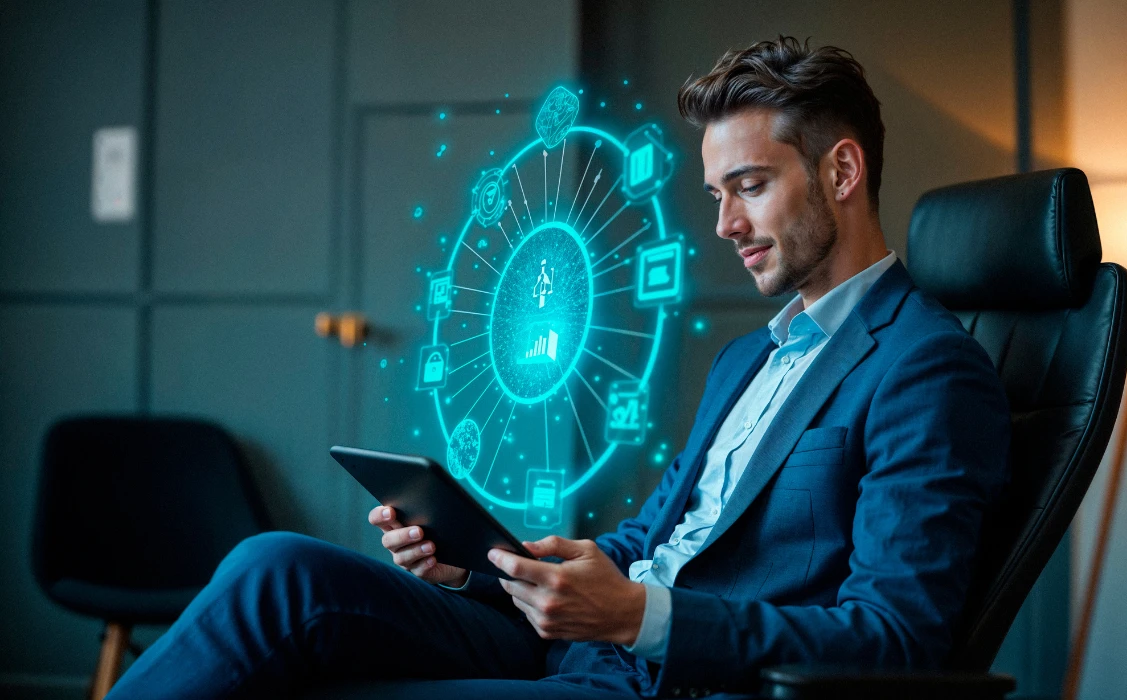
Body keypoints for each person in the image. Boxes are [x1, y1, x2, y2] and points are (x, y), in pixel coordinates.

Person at [108, 36, 1009, 700]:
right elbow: (654, 537)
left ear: (842, 171)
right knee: (278, 567)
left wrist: (637, 620)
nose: (726, 225)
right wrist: (484, 564)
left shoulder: (926, 368)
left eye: (750, 186)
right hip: (578, 647)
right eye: (715, 196)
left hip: (665, 683)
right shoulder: (749, 358)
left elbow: (897, 640)